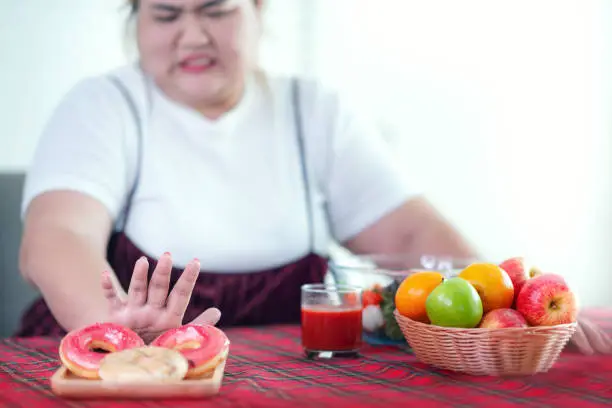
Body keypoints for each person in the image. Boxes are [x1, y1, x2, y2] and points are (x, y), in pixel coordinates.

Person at [15, 0, 610, 353]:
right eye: (166, 14)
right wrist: (114, 335)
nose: (192, 35)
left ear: (258, 11)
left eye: (216, 9)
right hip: (124, 358)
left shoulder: (311, 109)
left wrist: (510, 311)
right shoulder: (103, 104)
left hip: (291, 371)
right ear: (137, 21)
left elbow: (405, 236)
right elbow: (56, 240)